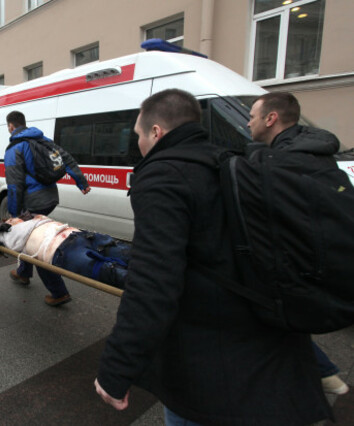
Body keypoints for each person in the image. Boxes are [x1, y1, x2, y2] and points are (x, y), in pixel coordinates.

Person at [94, 89, 330, 425]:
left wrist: (117, 366)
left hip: (209, 365)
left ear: (157, 132)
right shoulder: (229, 160)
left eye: (139, 136)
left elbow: (153, 283)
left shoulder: (163, 176)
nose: (139, 145)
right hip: (269, 348)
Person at [248, 91, 349, 396]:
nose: (249, 122)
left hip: (298, 264)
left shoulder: (282, 163)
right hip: (320, 261)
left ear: (271, 118)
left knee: (264, 313)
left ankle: (315, 378)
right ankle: (323, 373)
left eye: (252, 116)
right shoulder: (315, 151)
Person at [4, 110, 91, 306]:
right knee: (29, 236)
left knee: (36, 243)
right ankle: (23, 273)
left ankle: (58, 292)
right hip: (50, 197)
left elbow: (14, 185)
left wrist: (14, 214)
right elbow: (67, 159)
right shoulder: (43, 140)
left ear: (11, 126)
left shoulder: (15, 148)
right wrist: (81, 182)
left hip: (33, 202)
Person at [0, 214, 130, 289]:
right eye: (9, 220)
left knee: (129, 254)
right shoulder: (9, 234)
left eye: (12, 218)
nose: (11, 219)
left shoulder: (38, 218)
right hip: (61, 250)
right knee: (112, 273)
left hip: (81, 235)